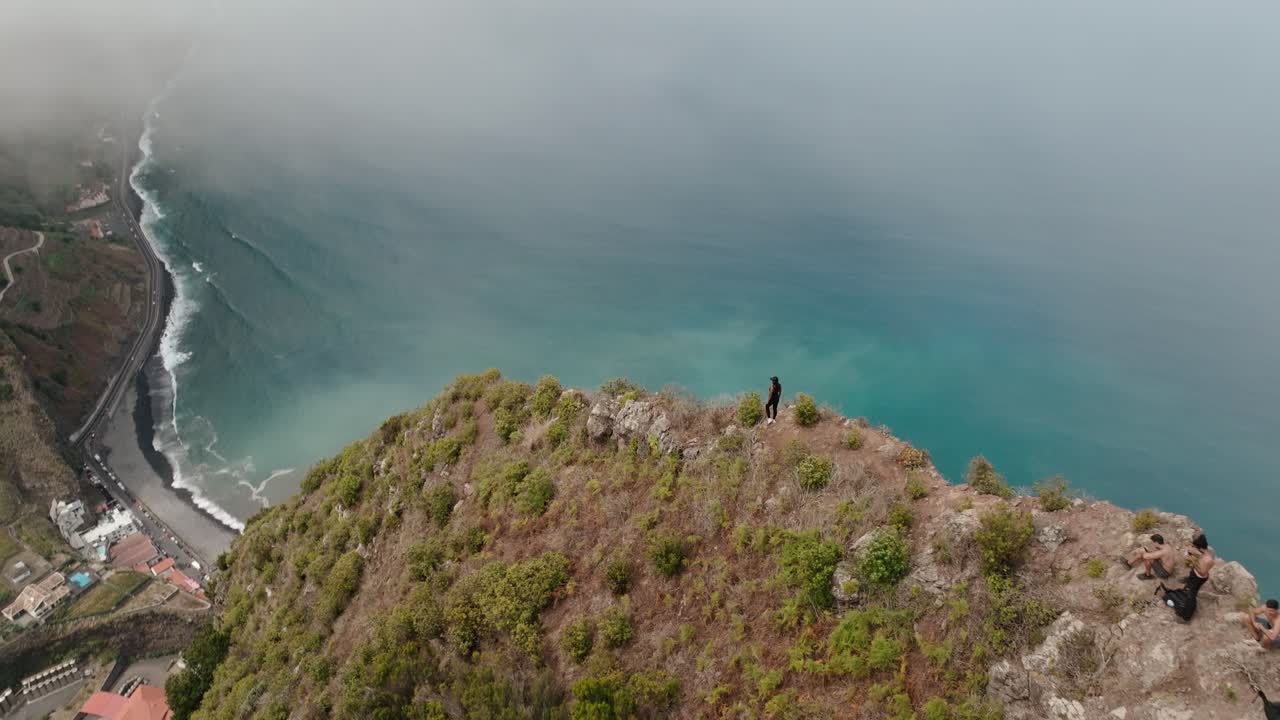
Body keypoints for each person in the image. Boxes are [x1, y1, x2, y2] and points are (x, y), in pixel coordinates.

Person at [1157, 533, 1215, 622]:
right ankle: (1180, 597)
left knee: (1192, 595)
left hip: (1198, 579)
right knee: (1188, 590)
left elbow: (1202, 572)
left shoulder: (1208, 560)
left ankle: (1186, 616)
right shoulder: (1204, 553)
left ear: (1200, 548)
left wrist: (1193, 562)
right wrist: (1194, 556)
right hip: (1194, 575)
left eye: (1195, 547)